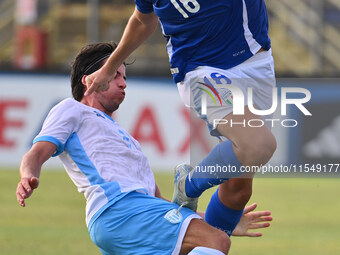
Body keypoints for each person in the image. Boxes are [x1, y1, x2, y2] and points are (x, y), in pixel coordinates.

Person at [16, 42, 272, 255]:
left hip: (128, 217)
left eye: (124, 77)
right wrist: (28, 175)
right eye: (115, 75)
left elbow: (159, 205)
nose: (123, 83)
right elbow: (37, 152)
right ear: (89, 80)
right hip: (119, 211)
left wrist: (211, 222)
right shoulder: (72, 109)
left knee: (215, 238)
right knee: (216, 243)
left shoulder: (126, 138)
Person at [83, 0, 277, 237]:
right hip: (202, 70)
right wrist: (109, 66)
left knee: (237, 189)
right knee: (257, 145)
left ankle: (205, 249)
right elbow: (142, 19)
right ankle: (189, 184)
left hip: (257, 61)